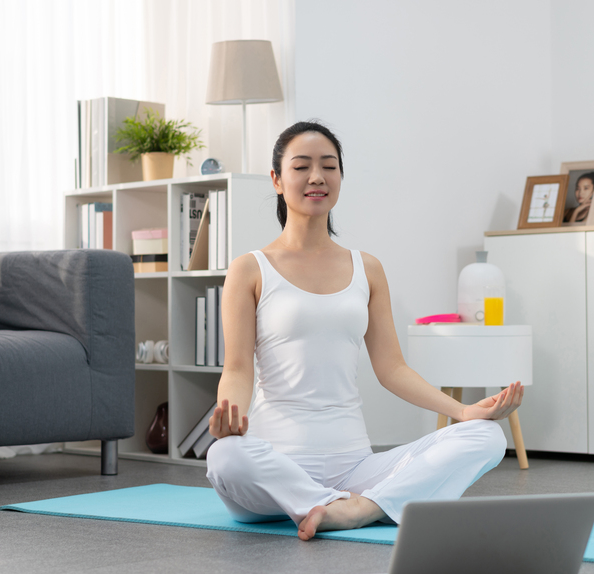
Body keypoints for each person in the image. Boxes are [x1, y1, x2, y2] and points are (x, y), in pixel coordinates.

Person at [204, 121, 525, 541]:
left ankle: (360, 507)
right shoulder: (250, 268)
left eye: (329, 166)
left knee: (485, 437)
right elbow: (239, 367)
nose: (317, 176)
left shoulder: (367, 268)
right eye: (301, 166)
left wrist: (462, 412)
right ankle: (354, 505)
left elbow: (392, 368)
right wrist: (233, 416)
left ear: (340, 177)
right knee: (225, 455)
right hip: (273, 468)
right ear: (277, 180)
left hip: (354, 468)